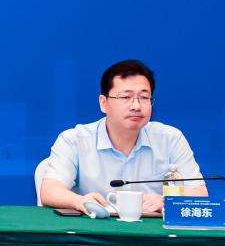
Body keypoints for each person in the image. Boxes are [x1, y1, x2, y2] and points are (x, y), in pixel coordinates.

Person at [38, 59, 205, 214]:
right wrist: (80, 201)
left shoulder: (170, 139)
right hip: (95, 230)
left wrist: (166, 201)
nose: (136, 106)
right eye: (126, 97)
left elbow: (199, 192)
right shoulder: (74, 140)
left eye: (144, 97)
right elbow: (50, 191)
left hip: (153, 233)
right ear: (104, 103)